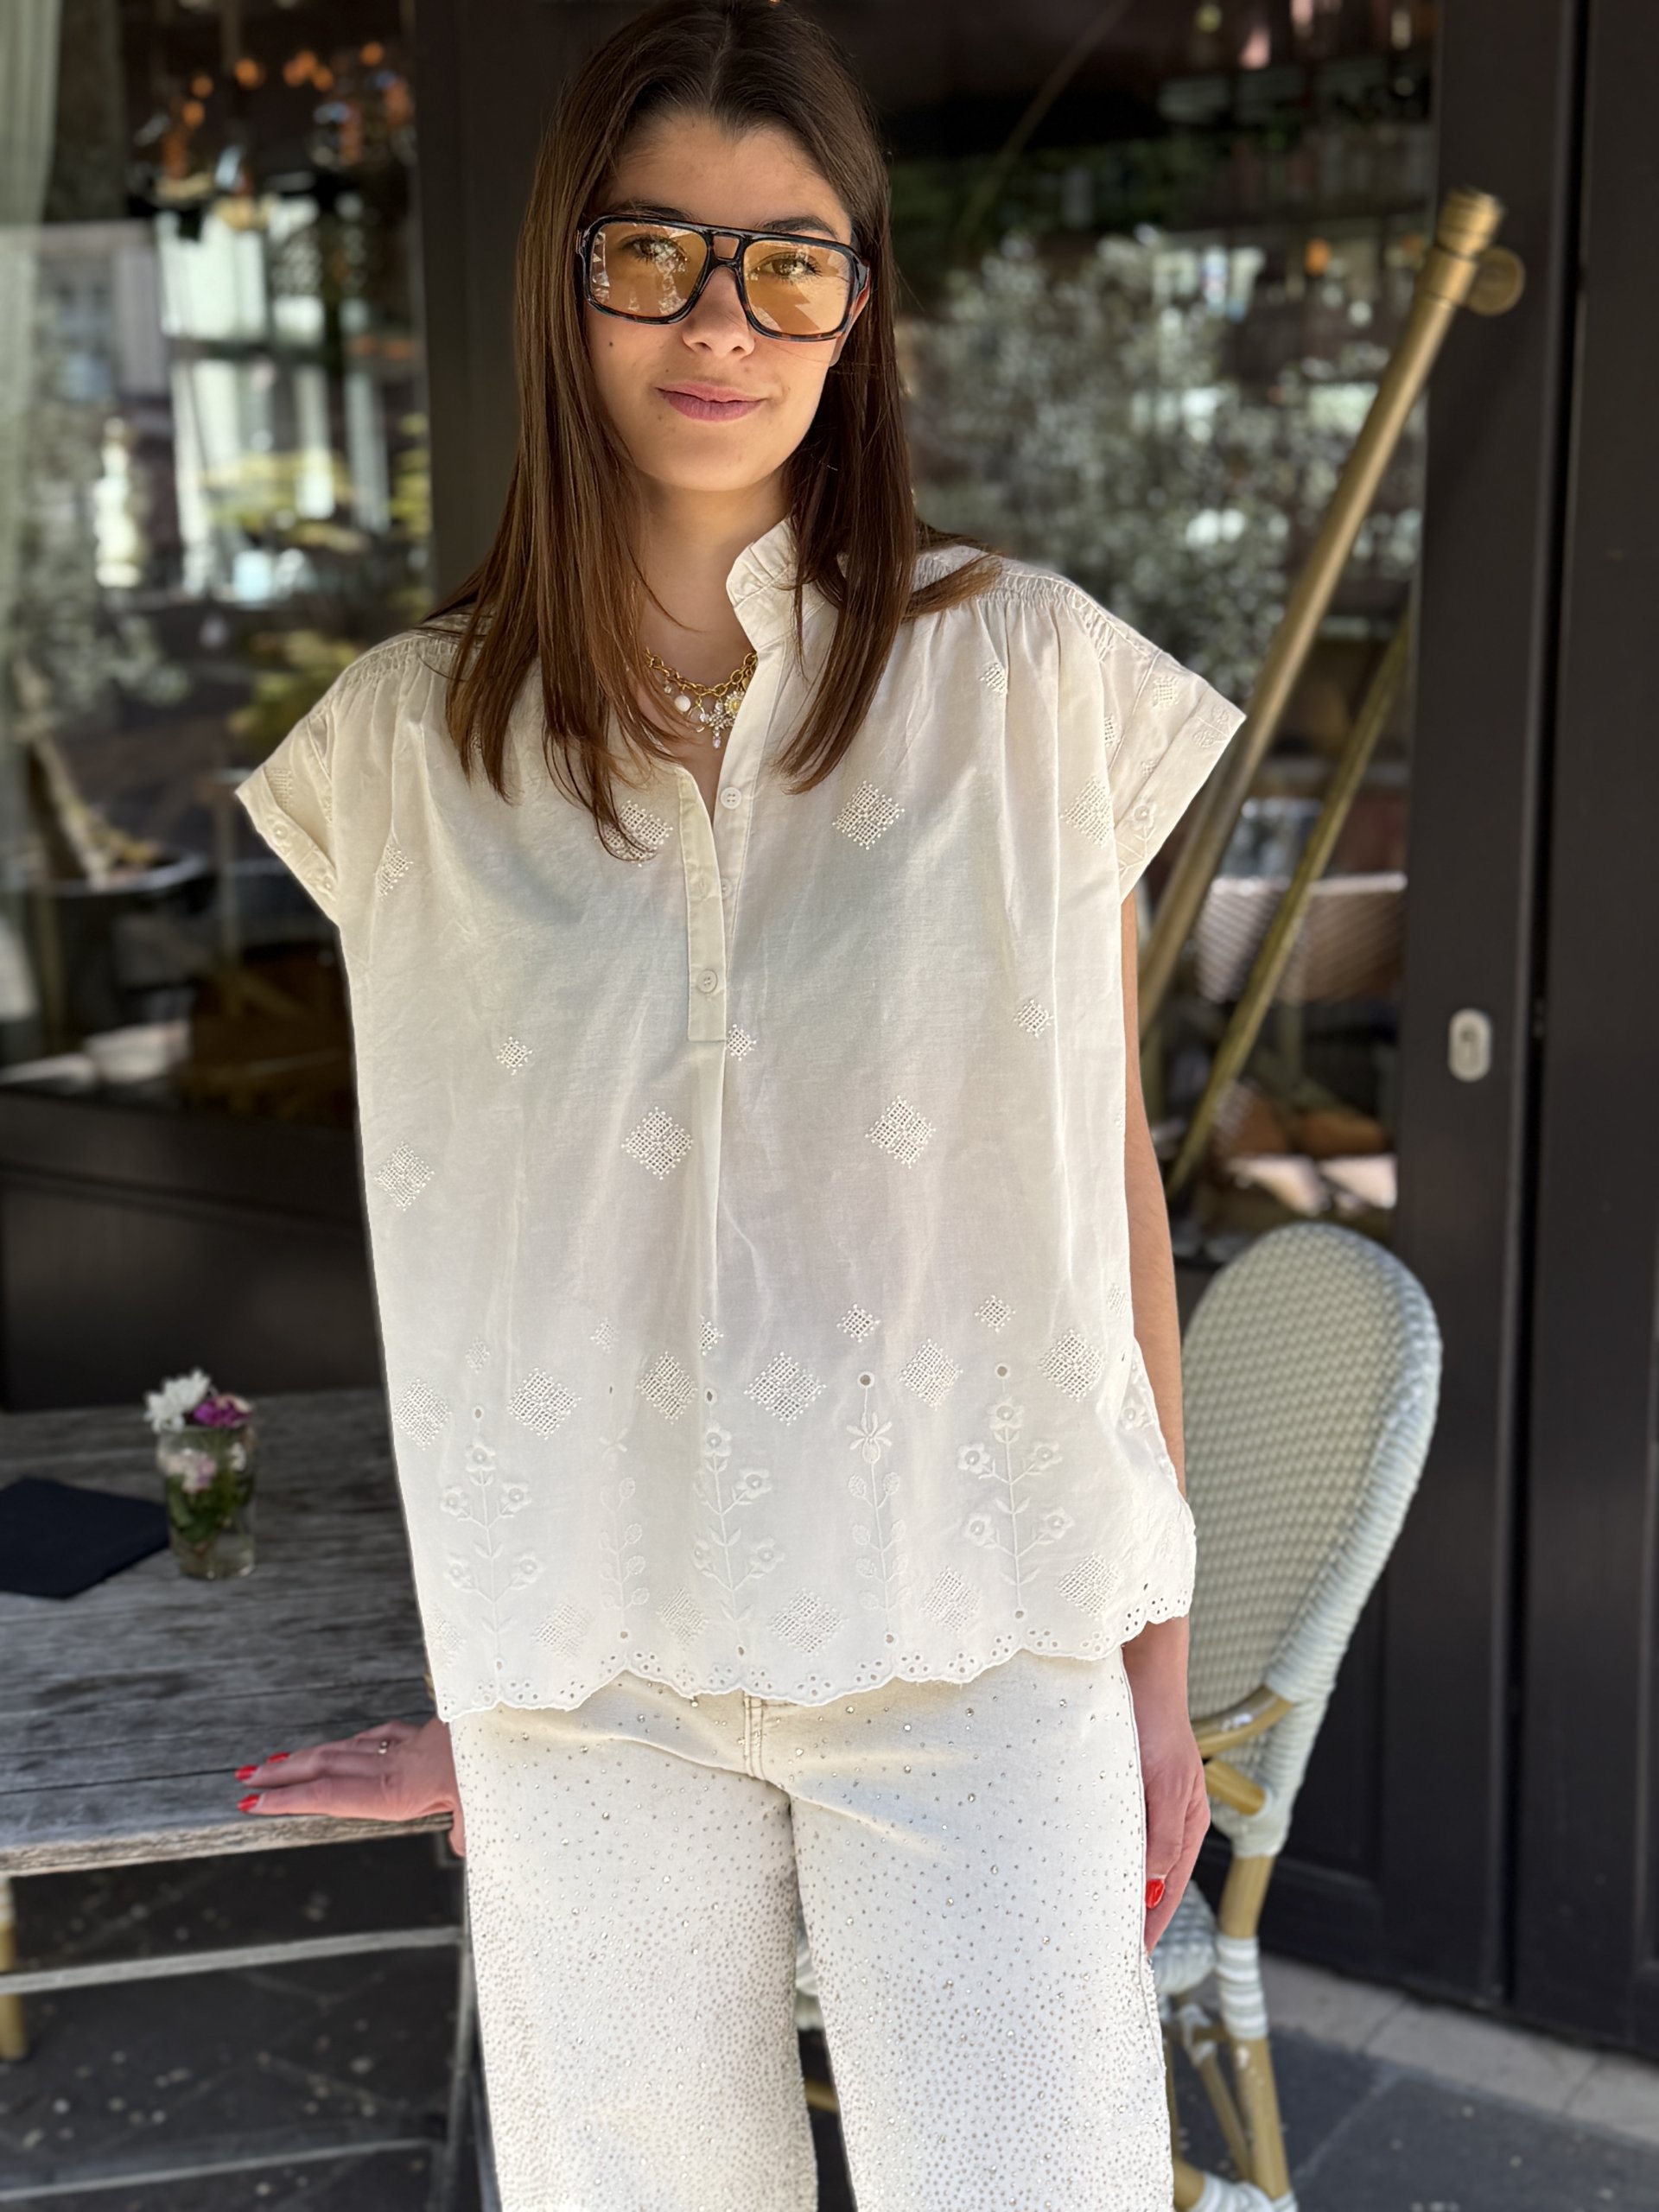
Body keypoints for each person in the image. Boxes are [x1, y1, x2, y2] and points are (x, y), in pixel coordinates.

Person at [230, 2, 1243, 2203]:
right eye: (656, 252)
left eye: (790, 261)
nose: (723, 321)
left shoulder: (1025, 679)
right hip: (589, 1685)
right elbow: (484, 1251)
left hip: (978, 1636)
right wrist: (489, 1683)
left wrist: (1154, 1677)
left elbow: (1105, 1202)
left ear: (857, 307)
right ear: (563, 278)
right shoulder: (402, 748)